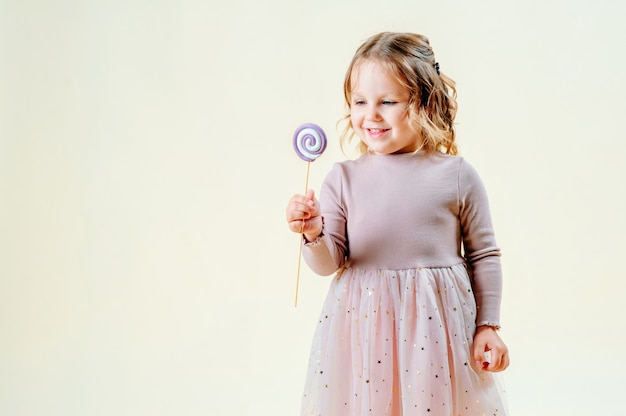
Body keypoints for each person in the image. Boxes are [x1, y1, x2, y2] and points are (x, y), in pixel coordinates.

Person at [286, 32, 509, 415]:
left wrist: (488, 326)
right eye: (359, 102)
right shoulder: (343, 179)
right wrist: (313, 232)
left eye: (387, 102)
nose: (370, 115)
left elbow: (484, 254)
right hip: (364, 332)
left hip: (436, 331)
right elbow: (328, 263)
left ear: (424, 102)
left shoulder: (456, 175)